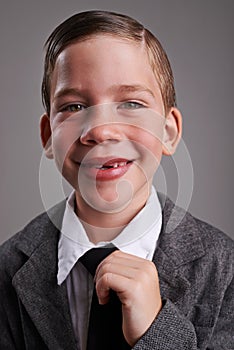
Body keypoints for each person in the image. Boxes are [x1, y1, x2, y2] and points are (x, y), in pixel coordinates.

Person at [0, 10, 233, 350]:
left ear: (168, 133)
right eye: (75, 107)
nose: (101, 130)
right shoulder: (7, 270)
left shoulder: (224, 270)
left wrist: (156, 331)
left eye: (131, 103)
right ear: (49, 136)